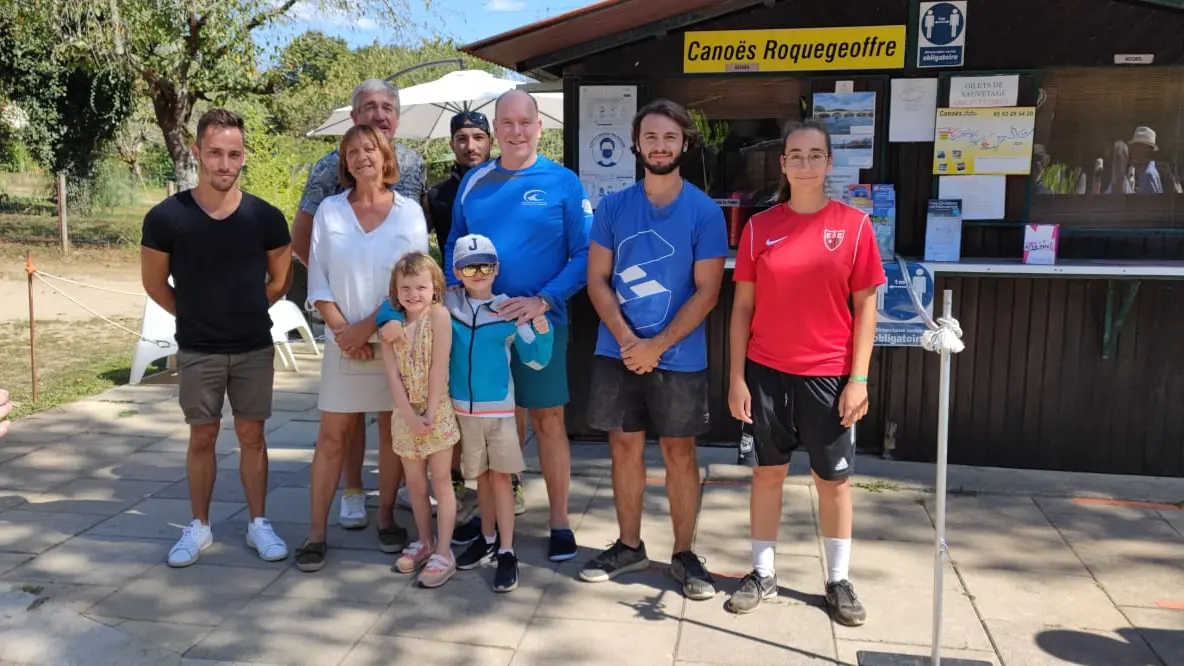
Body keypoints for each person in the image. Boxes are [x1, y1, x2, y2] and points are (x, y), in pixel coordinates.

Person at [726, 119, 886, 626]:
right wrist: (736, 378)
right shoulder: (760, 228)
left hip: (830, 376)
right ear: (783, 164)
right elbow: (741, 310)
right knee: (766, 474)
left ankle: (838, 580)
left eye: (815, 155)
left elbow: (867, 308)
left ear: (829, 162)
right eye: (796, 155)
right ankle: (763, 572)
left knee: (833, 483)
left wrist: (858, 379)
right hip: (766, 373)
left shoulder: (855, 226)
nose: (805, 163)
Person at [578, 99, 727, 601]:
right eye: (650, 137)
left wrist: (656, 346)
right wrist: (627, 341)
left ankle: (684, 554)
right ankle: (628, 545)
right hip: (617, 351)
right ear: (636, 145)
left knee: (679, 453)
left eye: (669, 137)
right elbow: (596, 279)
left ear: (684, 143)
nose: (659, 146)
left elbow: (708, 291)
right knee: (623, 447)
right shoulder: (614, 207)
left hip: (679, 356)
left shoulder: (704, 211)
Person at [443, 89, 594, 562]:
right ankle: (490, 523)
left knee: (548, 421)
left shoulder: (564, 182)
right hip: (480, 329)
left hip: (539, 323)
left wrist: (544, 300)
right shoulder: (475, 181)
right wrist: (458, 294)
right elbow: (452, 244)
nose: (516, 131)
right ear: (495, 129)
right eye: (506, 123)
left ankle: (560, 522)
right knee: (490, 425)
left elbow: (586, 253)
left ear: (539, 126)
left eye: (524, 122)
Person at [140, 108, 291, 568]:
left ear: (244, 157)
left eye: (233, 154)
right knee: (201, 437)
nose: (224, 164)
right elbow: (154, 285)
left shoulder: (265, 217)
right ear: (197, 153)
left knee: (253, 436)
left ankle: (258, 524)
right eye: (215, 154)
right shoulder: (167, 217)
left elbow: (280, 281)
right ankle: (199, 526)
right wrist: (198, 315)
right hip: (198, 349)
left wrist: (243, 311)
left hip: (252, 347)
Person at [291, 79, 428, 533]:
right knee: (335, 434)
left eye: (386, 107)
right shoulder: (330, 207)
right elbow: (317, 270)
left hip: (392, 337)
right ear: (344, 160)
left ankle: (386, 517)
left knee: (393, 433)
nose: (363, 155)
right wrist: (343, 331)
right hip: (343, 340)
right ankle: (318, 531)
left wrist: (369, 326)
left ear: (386, 157)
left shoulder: (409, 207)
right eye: (354, 151)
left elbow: (413, 272)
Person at [381, 251, 461, 588]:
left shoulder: (439, 317)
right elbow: (393, 377)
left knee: (441, 481)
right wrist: (410, 416)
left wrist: (428, 412)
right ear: (395, 291)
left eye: (421, 287)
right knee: (414, 483)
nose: (414, 295)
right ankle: (424, 541)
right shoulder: (389, 329)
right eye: (406, 288)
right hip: (405, 415)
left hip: (437, 410)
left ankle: (445, 550)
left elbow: (438, 366)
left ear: (434, 288)